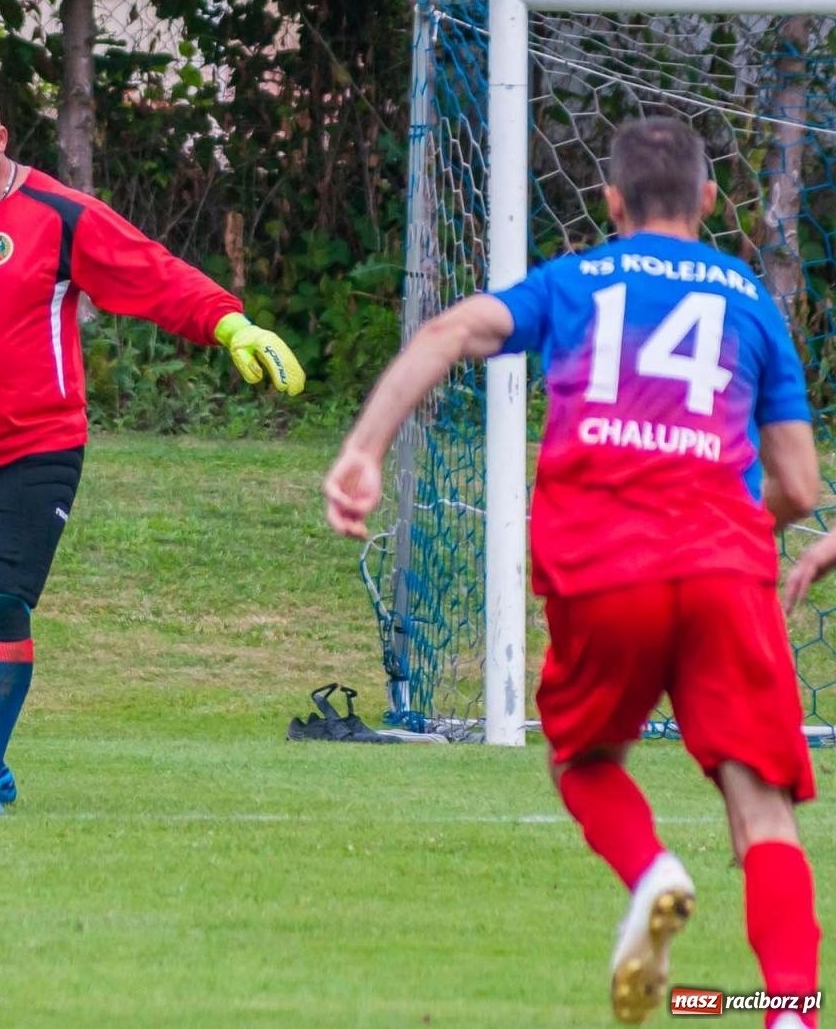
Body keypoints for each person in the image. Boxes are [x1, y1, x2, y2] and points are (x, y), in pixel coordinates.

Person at [323, 118, 822, 1027]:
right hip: (724, 574)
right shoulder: (751, 300)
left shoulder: (579, 281)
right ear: (711, 202)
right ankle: (788, 1012)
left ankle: (654, 872)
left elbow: (450, 330)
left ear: (613, 202)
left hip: (606, 572)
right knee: (763, 815)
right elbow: (799, 482)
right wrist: (735, 529)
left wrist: (365, 449)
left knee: (582, 760)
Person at [0, 79, 305, 817]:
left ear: (0, 141)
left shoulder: (56, 216)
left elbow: (152, 274)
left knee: (0, 600)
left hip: (37, 447)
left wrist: (230, 325)